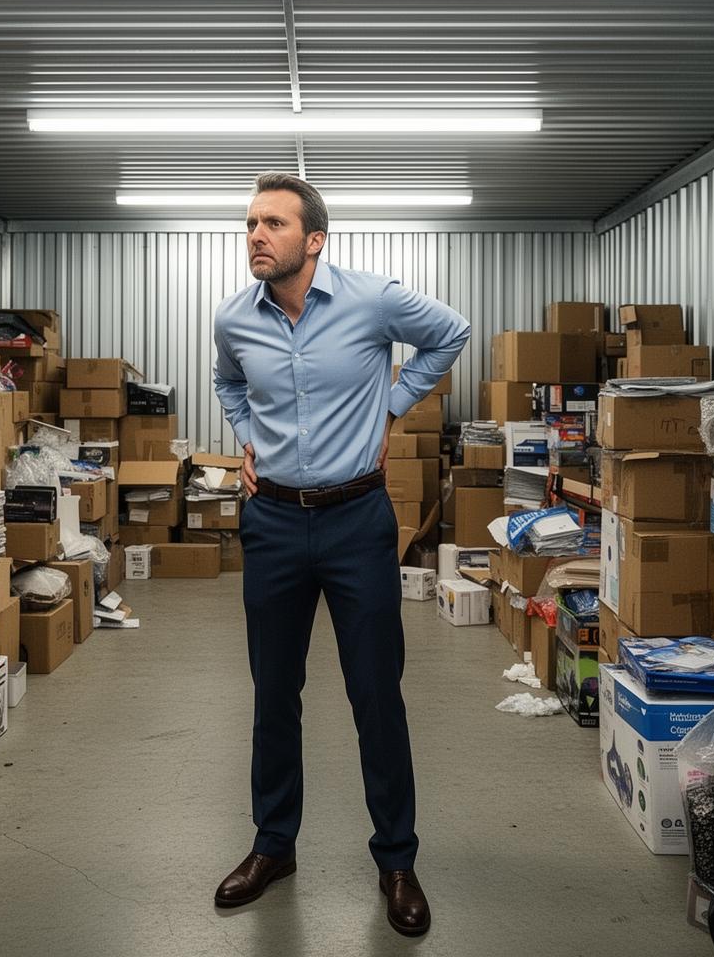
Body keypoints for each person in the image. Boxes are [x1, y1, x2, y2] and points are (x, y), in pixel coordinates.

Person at [210, 170, 471, 937]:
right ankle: (273, 845)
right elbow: (227, 384)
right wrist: (247, 440)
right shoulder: (234, 318)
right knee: (272, 692)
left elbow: (450, 332)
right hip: (274, 525)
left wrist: (391, 404)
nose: (256, 235)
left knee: (375, 696)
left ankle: (396, 858)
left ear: (314, 240)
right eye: (251, 223)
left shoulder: (372, 300)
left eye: (273, 225)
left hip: (357, 522)